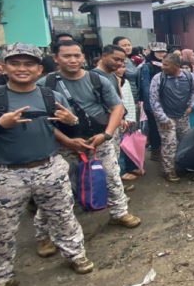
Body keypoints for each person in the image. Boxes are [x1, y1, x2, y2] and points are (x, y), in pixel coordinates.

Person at [0, 43, 93, 286]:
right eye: (15, 63)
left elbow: (72, 132)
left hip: (49, 167)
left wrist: (73, 123)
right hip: (6, 175)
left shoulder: (49, 97)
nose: (22, 69)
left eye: (29, 64)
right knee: (0, 228)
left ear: (39, 69)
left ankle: (75, 254)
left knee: (64, 217)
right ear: (3, 67)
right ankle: (0, 277)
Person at [40, 40, 141, 227]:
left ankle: (119, 212)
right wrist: (67, 141)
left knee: (111, 175)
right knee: (55, 188)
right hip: (63, 144)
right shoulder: (45, 84)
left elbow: (117, 107)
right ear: (56, 58)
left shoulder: (97, 80)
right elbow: (40, 121)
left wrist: (107, 134)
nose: (72, 60)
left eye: (77, 55)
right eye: (66, 56)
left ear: (83, 57)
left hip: (98, 139)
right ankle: (46, 232)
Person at [149, 53, 194, 183]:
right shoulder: (158, 78)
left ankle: (183, 165)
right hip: (166, 117)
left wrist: (190, 105)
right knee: (170, 143)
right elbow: (154, 100)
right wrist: (162, 118)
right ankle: (168, 170)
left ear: (176, 66)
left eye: (166, 65)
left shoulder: (188, 76)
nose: (162, 67)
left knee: (185, 141)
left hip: (182, 115)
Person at [139, 42, 168, 161]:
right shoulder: (147, 66)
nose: (161, 54)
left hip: (165, 102)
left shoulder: (166, 65)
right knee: (154, 128)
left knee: (164, 127)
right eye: (158, 52)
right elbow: (146, 87)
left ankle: (163, 150)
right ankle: (155, 151)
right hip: (152, 102)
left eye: (163, 52)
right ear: (153, 52)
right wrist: (151, 104)